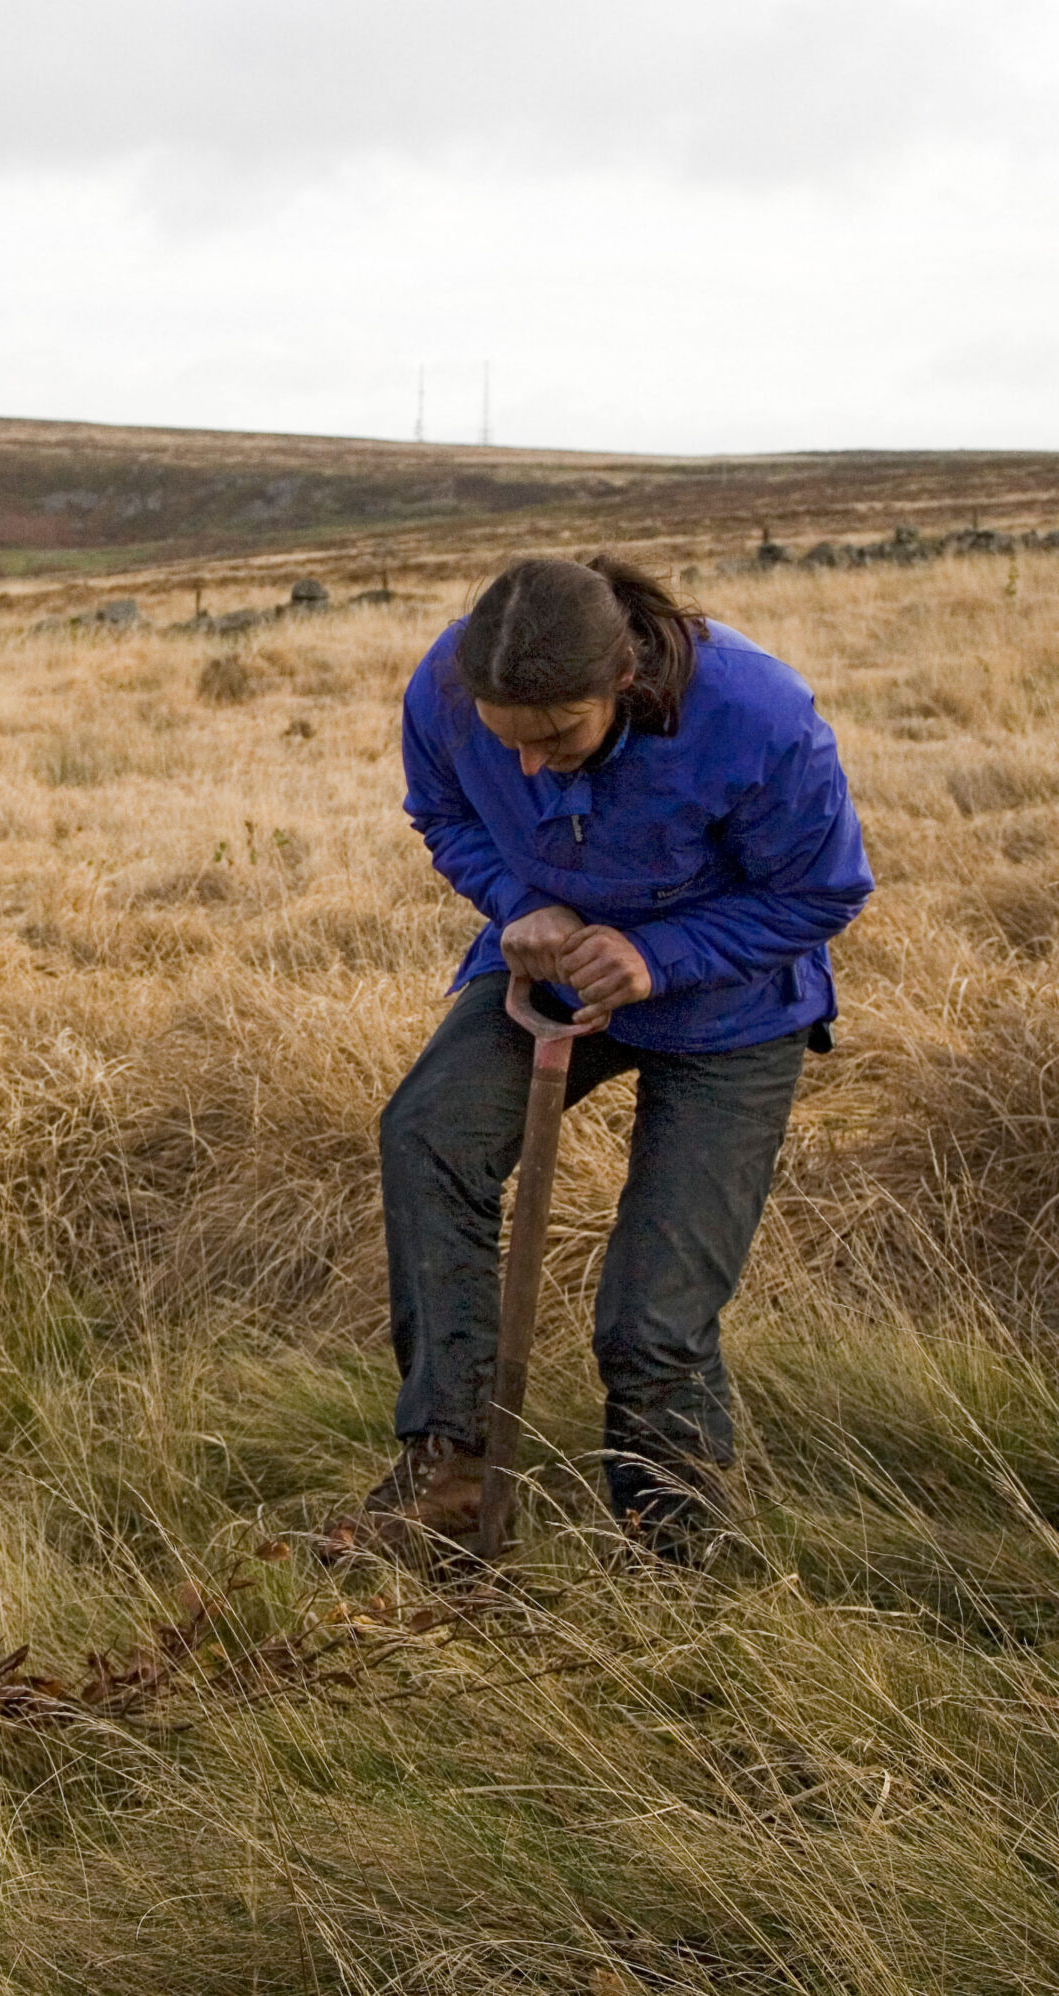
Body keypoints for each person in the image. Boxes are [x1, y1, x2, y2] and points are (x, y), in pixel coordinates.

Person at [349, 552, 872, 1566]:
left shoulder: (756, 715)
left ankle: (670, 1536)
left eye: (558, 737)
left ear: (622, 678)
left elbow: (820, 893)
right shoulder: (445, 689)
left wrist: (655, 955)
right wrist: (521, 904)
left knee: (650, 1317)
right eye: (512, 744)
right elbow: (446, 813)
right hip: (551, 968)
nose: (532, 766)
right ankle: (450, 1468)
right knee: (427, 1131)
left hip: (730, 1002)